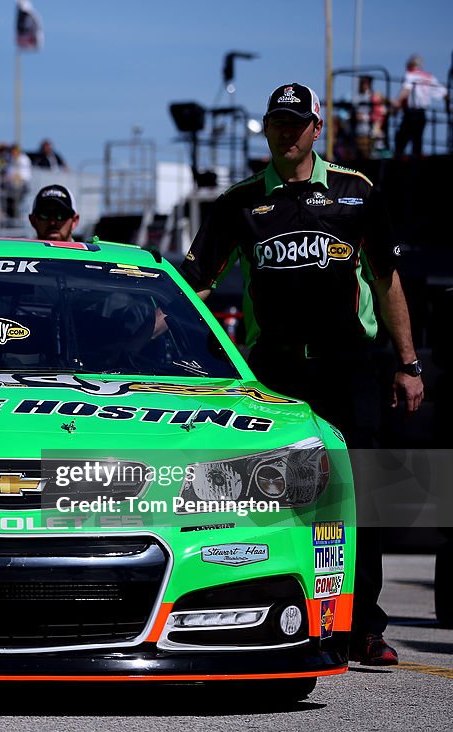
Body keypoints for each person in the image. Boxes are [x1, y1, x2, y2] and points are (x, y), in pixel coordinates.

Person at [182, 82, 424, 666]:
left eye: (298, 122)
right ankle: (273, 617)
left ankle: (365, 625)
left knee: (361, 496)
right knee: (275, 496)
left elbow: (388, 281)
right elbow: (195, 288)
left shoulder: (356, 191)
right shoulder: (239, 202)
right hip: (276, 374)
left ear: (318, 128)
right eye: (277, 122)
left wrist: (408, 362)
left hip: (349, 366)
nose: (287, 132)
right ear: (265, 129)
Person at [392, 55, 448, 159]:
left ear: (410, 64)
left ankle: (397, 163)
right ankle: (416, 164)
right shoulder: (429, 77)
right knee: (417, 140)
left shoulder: (410, 75)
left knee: (401, 140)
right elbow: (444, 93)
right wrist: (447, 108)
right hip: (422, 114)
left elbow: (406, 90)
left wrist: (396, 103)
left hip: (411, 113)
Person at [353, 76, 387, 158]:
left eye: (367, 83)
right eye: (364, 83)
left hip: (371, 130)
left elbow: (378, 113)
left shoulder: (373, 97)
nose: (365, 85)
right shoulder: (358, 98)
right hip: (361, 131)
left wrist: (366, 117)